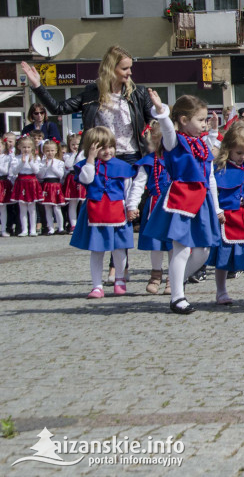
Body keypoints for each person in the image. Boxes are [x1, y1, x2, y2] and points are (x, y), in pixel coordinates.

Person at [144, 90, 222, 315]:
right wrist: (161, 111)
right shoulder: (174, 141)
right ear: (184, 120)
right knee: (180, 248)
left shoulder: (201, 143)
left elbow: (209, 177)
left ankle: (177, 280)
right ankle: (177, 296)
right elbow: (168, 129)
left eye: (205, 120)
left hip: (203, 199)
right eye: (200, 120)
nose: (204, 124)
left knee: (204, 251)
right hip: (182, 197)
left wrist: (216, 207)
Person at [22, 46, 155, 165]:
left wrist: (159, 110)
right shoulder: (92, 93)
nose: (130, 72)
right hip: (102, 156)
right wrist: (37, 86)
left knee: (133, 192)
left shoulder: (139, 93)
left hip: (133, 156)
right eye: (125, 68)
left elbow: (154, 122)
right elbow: (58, 108)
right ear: (110, 69)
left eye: (130, 67)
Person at [69, 127, 133, 298]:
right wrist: (90, 159)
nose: (107, 151)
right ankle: (97, 285)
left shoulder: (123, 167)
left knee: (119, 249)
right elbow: (86, 180)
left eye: (110, 147)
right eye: (101, 148)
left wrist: (130, 208)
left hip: (117, 212)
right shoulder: (86, 166)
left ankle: (120, 278)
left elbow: (128, 190)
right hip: (95, 213)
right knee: (97, 251)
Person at [208, 121, 244, 306]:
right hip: (227, 216)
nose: (243, 157)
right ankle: (221, 291)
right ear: (229, 149)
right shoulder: (220, 167)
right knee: (223, 257)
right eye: (238, 153)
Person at [126, 122, 172, 295]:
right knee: (156, 244)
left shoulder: (175, 159)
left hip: (173, 205)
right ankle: (156, 274)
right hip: (154, 206)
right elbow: (138, 185)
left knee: (173, 243)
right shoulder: (149, 161)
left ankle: (172, 278)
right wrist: (132, 205)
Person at [9, 135, 41, 236]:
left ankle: (33, 230)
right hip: (21, 181)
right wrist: (21, 163)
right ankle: (24, 230)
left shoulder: (36, 157)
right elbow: (14, 171)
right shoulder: (16, 158)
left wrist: (31, 161)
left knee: (32, 208)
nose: (26, 149)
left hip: (32, 182)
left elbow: (37, 171)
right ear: (19, 147)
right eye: (24, 147)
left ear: (32, 148)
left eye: (28, 147)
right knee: (22, 207)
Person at [37, 139, 66, 235]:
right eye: (48, 151)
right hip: (46, 184)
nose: (50, 153)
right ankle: (50, 228)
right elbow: (40, 176)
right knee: (47, 208)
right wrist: (45, 167)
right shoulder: (42, 162)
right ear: (44, 151)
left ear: (56, 150)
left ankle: (61, 227)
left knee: (57, 208)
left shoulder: (59, 162)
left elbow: (61, 175)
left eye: (52, 150)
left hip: (55, 184)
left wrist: (53, 167)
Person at [62, 133, 86, 234]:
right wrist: (74, 154)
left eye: (77, 144)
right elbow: (68, 165)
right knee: (72, 203)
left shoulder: (84, 153)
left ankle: (83, 224)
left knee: (83, 202)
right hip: (71, 178)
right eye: (73, 145)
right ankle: (73, 224)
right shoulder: (67, 155)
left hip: (81, 178)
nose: (75, 147)